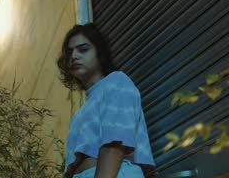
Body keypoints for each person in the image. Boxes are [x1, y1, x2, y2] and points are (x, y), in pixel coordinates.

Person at [57, 23, 155, 178]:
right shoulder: (82, 111)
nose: (74, 56)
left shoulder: (116, 82)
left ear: (99, 53)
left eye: (83, 49)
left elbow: (114, 145)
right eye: (70, 52)